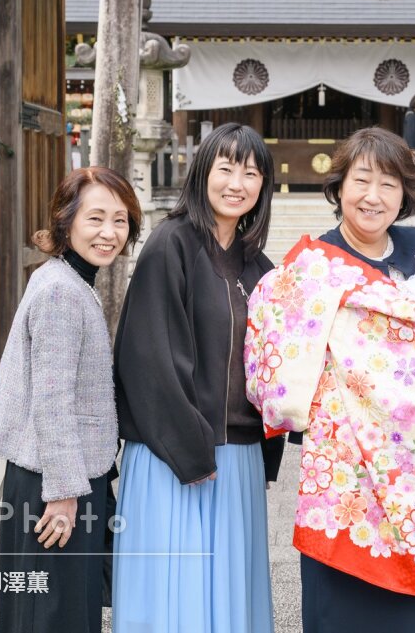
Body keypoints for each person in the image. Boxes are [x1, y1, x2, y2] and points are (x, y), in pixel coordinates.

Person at [245, 127, 415, 633]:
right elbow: (277, 340)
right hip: (349, 467)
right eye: (362, 180)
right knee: (347, 604)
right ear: (339, 187)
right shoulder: (312, 266)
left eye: (389, 184)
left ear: (406, 195)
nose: (374, 197)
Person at [111, 123, 285, 633]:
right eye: (226, 167)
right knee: (176, 601)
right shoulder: (172, 244)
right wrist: (190, 451)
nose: (238, 182)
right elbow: (149, 357)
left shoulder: (259, 267)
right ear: (203, 172)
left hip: (238, 455)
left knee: (230, 598)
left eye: (251, 172)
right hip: (176, 454)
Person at [0, 166, 143, 633]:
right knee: (53, 615)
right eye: (95, 219)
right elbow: (52, 403)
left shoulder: (62, 277)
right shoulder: (62, 293)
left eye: (121, 219)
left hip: (52, 477)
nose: (109, 233)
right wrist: (65, 496)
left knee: (49, 610)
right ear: (66, 221)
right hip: (54, 485)